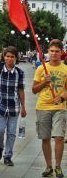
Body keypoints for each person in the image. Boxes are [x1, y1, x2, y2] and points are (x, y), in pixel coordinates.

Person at [32, 39, 67, 178]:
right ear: (48, 52)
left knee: (59, 137)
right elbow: (34, 89)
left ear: (61, 53)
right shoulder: (41, 68)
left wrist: (63, 97)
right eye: (51, 51)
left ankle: (58, 167)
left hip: (60, 107)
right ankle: (49, 167)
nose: (54, 54)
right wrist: (44, 82)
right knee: (45, 138)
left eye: (57, 51)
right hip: (43, 106)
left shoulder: (65, 69)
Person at [0, 46, 26, 166]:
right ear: (4, 57)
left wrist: (23, 107)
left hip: (14, 107)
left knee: (12, 133)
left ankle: (8, 156)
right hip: (0, 105)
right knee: (0, 130)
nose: (9, 59)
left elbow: (21, 90)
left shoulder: (19, 73)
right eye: (7, 56)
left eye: (12, 56)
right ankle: (0, 146)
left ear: (16, 58)